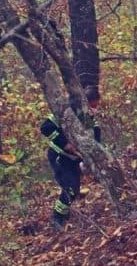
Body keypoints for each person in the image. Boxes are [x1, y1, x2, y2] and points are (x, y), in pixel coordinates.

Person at [40, 97, 102, 228]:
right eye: (92, 106)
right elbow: (46, 127)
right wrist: (65, 144)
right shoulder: (66, 113)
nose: (94, 110)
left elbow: (96, 138)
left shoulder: (89, 120)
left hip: (74, 160)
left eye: (96, 107)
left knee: (74, 189)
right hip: (60, 157)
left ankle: (64, 213)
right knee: (70, 188)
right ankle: (57, 218)